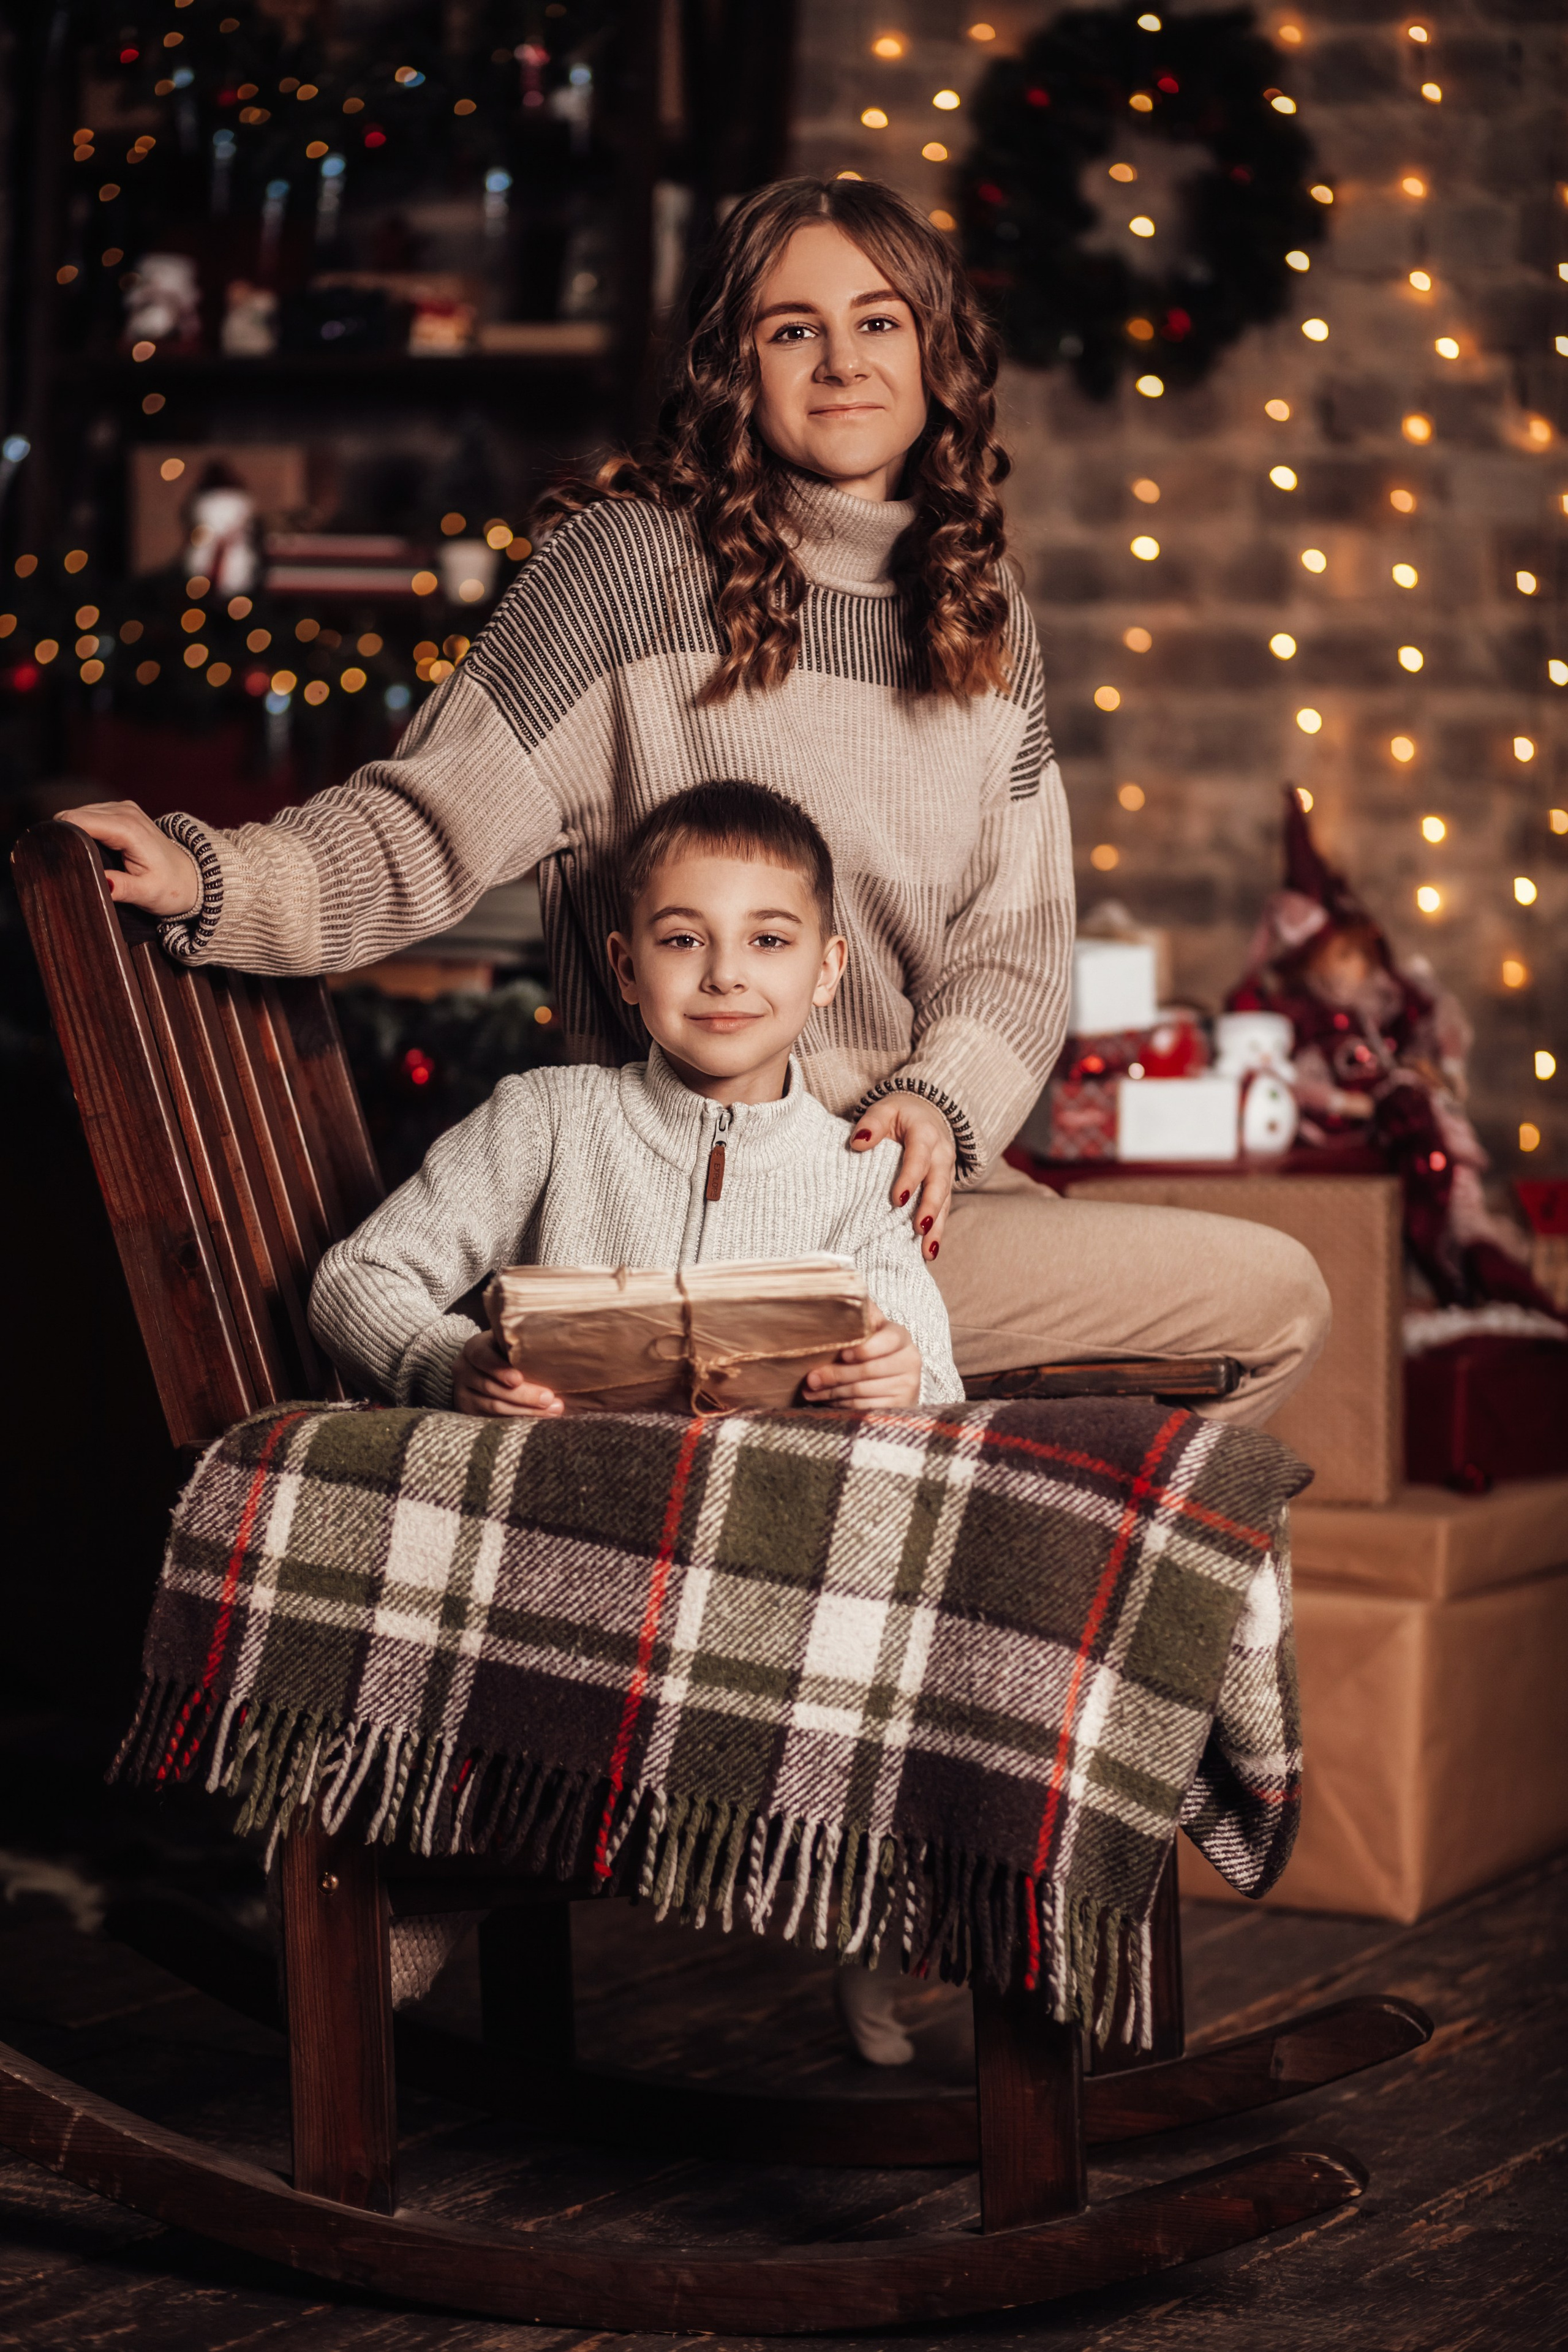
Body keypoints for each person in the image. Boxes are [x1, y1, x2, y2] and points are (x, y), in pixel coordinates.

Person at [66, 172, 1328, 1434]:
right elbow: (420, 825)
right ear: (736, 363)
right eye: (792, 330)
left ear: (936, 353)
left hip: (895, 1195)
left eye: (879, 322)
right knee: (1267, 1303)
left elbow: (1016, 950)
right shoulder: (627, 570)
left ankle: (918, 1540)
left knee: (1261, 1306)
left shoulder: (980, 615)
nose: (842, 361)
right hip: (690, 1202)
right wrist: (210, 877)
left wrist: (939, 1107)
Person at [309, 780, 962, 1415]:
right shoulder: (544, 1120)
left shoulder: (868, 1180)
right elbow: (355, 1278)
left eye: (768, 940)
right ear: (626, 968)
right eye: (683, 939)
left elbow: (936, 1381)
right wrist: (446, 1366)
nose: (724, 975)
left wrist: (901, 1381)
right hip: (560, 1479)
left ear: (825, 970)